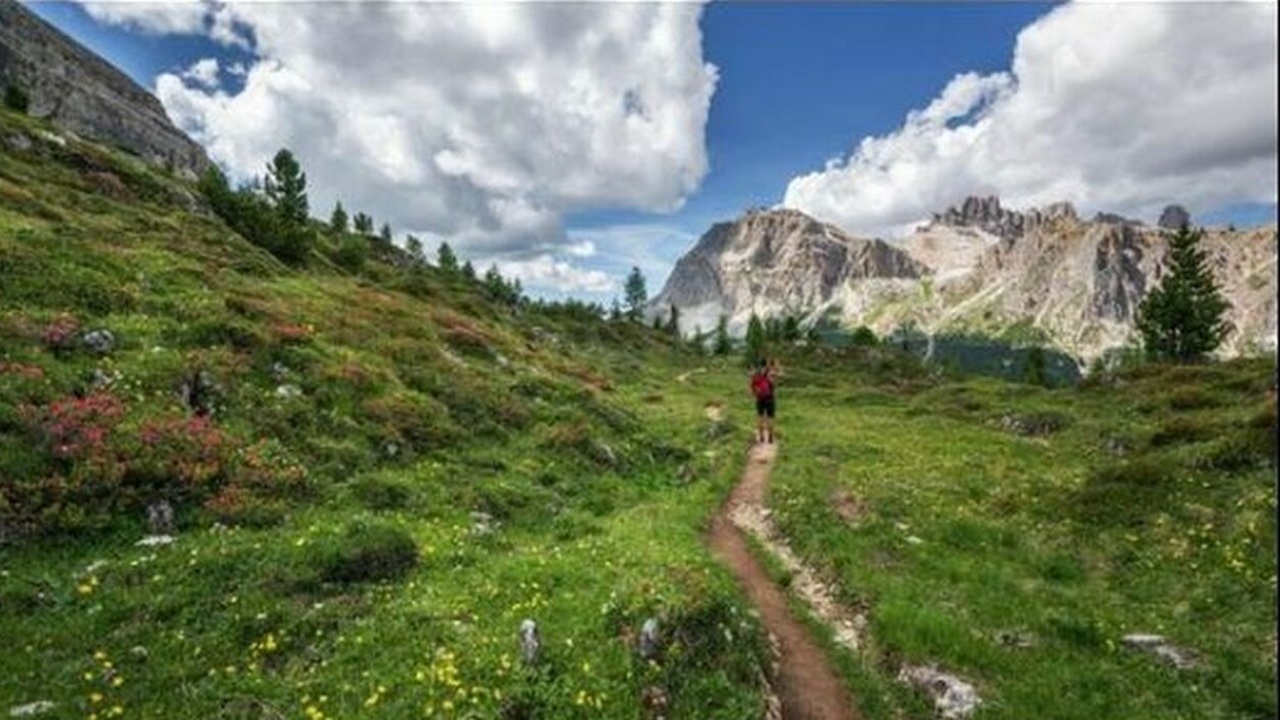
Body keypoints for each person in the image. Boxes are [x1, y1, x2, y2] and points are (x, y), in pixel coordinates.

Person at [750, 358, 776, 444]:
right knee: (770, 418)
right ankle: (770, 437)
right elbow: (773, 384)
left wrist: (755, 394)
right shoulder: (770, 372)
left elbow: (752, 385)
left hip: (760, 398)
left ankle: (761, 437)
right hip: (770, 398)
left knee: (760, 417)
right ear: (767, 364)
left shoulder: (756, 373)